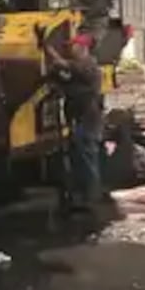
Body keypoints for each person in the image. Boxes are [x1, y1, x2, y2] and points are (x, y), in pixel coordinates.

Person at [43, 30, 106, 212]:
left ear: (83, 48)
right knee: (80, 158)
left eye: (74, 46)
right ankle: (83, 196)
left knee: (87, 159)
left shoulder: (88, 66)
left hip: (87, 119)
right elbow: (62, 74)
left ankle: (90, 198)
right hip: (80, 119)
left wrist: (47, 47)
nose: (71, 49)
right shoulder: (78, 69)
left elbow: (63, 65)